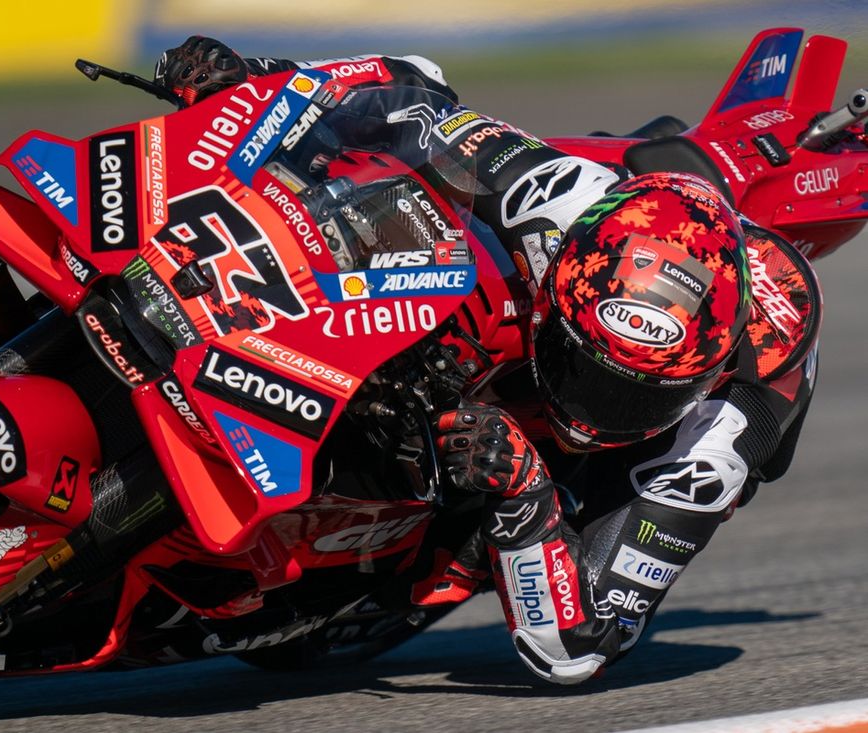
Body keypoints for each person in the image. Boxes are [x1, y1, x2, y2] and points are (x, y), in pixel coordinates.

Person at [155, 37, 821, 684]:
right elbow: (412, 88)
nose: (592, 411)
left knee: (549, 511)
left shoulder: (729, 423)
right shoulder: (552, 196)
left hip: (643, 440)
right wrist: (248, 79)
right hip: (599, 214)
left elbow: (577, 648)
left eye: (631, 395)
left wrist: (525, 489)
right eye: (582, 368)